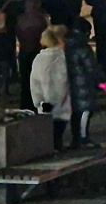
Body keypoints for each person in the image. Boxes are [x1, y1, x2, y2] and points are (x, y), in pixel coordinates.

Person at [30, 26, 72, 150]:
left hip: (44, 101)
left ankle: (50, 147)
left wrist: (38, 100)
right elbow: (64, 79)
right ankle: (57, 145)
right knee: (59, 126)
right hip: (61, 101)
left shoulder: (38, 59)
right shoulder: (62, 58)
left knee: (48, 129)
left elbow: (34, 81)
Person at [65, 18, 102, 148]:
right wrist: (100, 81)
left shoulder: (65, 44)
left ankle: (76, 139)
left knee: (75, 113)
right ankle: (83, 138)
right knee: (85, 111)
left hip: (69, 83)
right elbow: (91, 67)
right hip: (83, 83)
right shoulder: (83, 46)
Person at [15, 0, 49, 107]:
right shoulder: (41, 19)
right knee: (38, 79)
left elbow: (18, 34)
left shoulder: (21, 19)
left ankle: (25, 103)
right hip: (37, 52)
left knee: (25, 79)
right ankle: (37, 102)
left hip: (24, 51)